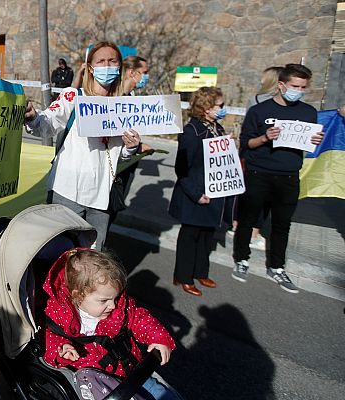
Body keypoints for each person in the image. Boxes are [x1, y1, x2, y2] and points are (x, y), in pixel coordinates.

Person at [24, 41, 142, 251]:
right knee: (61, 253)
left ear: (119, 67)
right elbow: (47, 124)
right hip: (67, 190)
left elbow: (119, 153)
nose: (107, 66)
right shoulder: (74, 96)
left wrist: (130, 148)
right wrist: (33, 118)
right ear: (90, 67)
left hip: (102, 195)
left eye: (112, 61)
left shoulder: (124, 106)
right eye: (101, 61)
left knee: (93, 256)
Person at [232, 64, 324, 293]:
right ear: (281, 85)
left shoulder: (308, 112)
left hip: (289, 176)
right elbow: (246, 144)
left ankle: (277, 267)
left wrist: (314, 141)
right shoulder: (259, 111)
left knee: (282, 224)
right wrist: (265, 137)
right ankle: (241, 259)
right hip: (259, 173)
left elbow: (308, 144)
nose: (299, 91)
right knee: (248, 218)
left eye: (303, 87)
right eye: (295, 86)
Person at [43, 249, 178, 399]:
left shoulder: (119, 307)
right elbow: (49, 336)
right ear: (77, 295)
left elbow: (141, 319)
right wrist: (61, 349)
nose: (113, 305)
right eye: (104, 301)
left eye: (115, 297)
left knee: (165, 395)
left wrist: (159, 338)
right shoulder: (60, 316)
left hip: (131, 372)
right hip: (98, 386)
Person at [169, 87, 227, 296]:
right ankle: (183, 276)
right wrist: (196, 194)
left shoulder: (217, 128)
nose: (223, 109)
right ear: (205, 108)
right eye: (219, 106)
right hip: (194, 194)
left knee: (206, 236)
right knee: (190, 236)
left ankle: (201, 272)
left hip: (214, 191)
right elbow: (181, 169)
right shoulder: (191, 132)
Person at [230, 66, 284, 251]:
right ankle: (252, 232)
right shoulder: (268, 103)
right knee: (262, 197)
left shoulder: (255, 100)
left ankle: (237, 223)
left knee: (246, 192)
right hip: (266, 155)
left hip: (251, 153)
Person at [106, 55, 155, 230]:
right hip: (114, 167)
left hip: (127, 165)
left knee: (113, 212)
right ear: (132, 72)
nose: (147, 76)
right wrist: (139, 147)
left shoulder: (131, 97)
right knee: (106, 212)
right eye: (145, 72)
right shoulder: (114, 97)